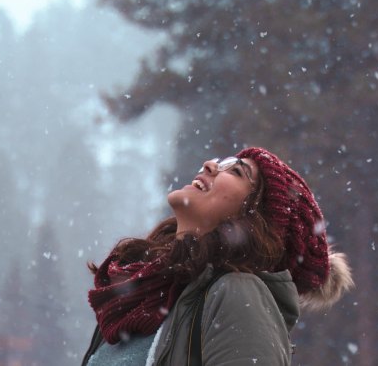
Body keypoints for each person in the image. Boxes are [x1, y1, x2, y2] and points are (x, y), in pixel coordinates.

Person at [82, 146, 353, 366]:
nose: (210, 165)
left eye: (236, 171)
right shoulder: (136, 298)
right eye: (222, 162)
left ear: (254, 220)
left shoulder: (237, 294)